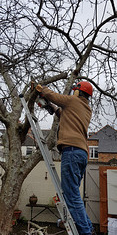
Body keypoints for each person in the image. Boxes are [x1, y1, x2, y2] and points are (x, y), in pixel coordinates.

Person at [36, 81, 96, 235]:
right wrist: (53, 109)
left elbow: (53, 96)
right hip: (81, 153)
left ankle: (85, 232)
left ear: (78, 92)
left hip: (71, 151)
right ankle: (88, 227)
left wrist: (40, 88)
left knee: (71, 195)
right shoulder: (85, 108)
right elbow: (64, 114)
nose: (73, 92)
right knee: (74, 194)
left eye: (75, 90)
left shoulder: (73, 101)